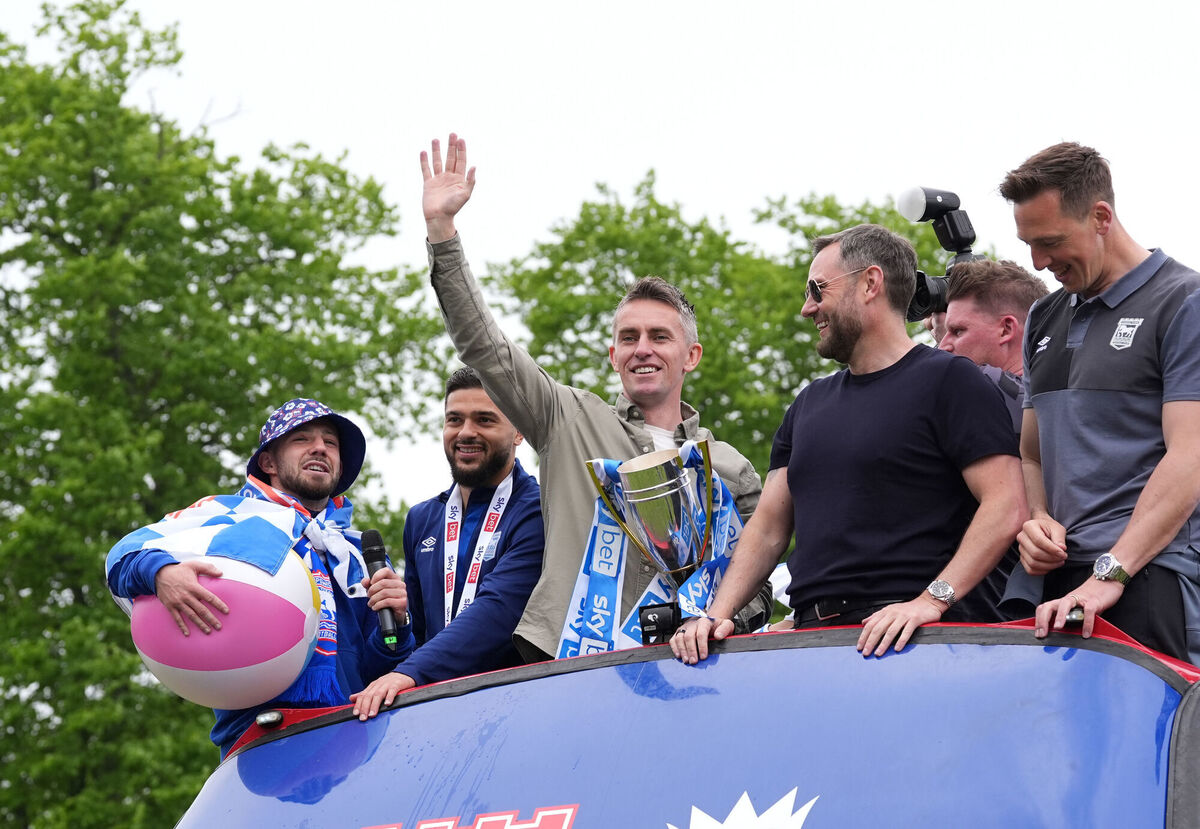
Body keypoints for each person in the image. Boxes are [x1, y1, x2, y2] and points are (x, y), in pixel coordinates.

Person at [420, 134, 770, 662]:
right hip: (572, 672)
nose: (642, 350)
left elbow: (761, 581)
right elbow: (483, 345)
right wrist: (442, 232)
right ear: (613, 355)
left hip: (690, 676)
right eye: (629, 338)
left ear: (691, 356)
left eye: (659, 337)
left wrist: (717, 619)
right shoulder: (566, 418)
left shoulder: (729, 467)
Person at [671, 224, 1026, 664]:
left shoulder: (952, 380)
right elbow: (767, 528)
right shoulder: (808, 404)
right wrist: (716, 615)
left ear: (871, 283)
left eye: (817, 290)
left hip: (916, 649)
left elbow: (1007, 503)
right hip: (817, 649)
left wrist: (932, 601)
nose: (807, 308)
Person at [106, 399, 412, 756]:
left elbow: (382, 667)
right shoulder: (228, 515)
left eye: (330, 443)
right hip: (261, 742)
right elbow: (124, 555)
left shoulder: (357, 552)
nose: (320, 448)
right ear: (268, 462)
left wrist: (400, 625)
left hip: (356, 740)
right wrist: (162, 573)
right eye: (302, 439)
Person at [1000, 142, 1200, 663]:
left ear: (1101, 216)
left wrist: (1112, 572)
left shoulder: (1184, 301)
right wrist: (1038, 517)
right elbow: (1031, 455)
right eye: (1028, 245)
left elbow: (1191, 456)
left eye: (1050, 242)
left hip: (1149, 576)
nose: (1039, 262)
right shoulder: (1042, 317)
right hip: (1056, 587)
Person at [351, 368, 544, 719]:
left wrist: (408, 673)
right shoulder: (423, 519)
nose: (466, 432)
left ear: (518, 431)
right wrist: (400, 622)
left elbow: (500, 611)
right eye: (454, 419)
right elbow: (419, 639)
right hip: (438, 717)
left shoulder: (540, 509)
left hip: (514, 712)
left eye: (484, 419)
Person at [937, 259, 1049, 620]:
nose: (942, 347)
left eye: (957, 331)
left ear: (1006, 330)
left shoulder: (987, 385)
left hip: (983, 611)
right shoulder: (1053, 403)